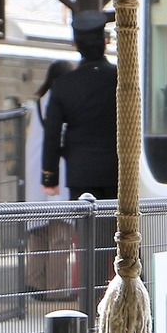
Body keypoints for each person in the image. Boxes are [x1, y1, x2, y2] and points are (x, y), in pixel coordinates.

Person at [41, 11, 118, 199]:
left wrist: (50, 177)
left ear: (76, 46)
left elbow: (52, 134)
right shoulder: (122, 80)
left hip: (80, 173)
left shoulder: (63, 85)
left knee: (87, 227)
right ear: (105, 42)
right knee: (121, 226)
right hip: (120, 170)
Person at [25, 60, 76, 203]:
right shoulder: (66, 99)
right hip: (63, 161)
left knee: (42, 206)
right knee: (64, 207)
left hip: (39, 160)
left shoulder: (40, 102)